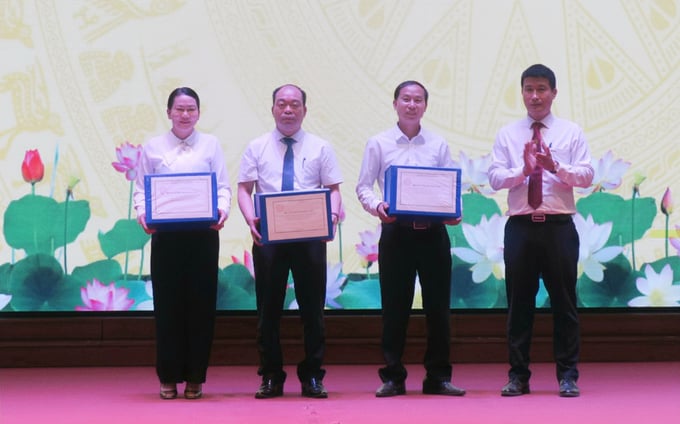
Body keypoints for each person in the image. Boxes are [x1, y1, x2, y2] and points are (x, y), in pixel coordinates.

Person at [488, 64, 594, 398]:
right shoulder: (508, 134)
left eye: (542, 89)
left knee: (564, 303)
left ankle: (567, 376)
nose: (535, 96)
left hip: (558, 228)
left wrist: (554, 168)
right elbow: (493, 178)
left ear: (554, 93)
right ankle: (518, 376)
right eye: (529, 89)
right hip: (520, 228)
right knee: (519, 305)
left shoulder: (571, 132)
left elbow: (588, 175)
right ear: (522, 93)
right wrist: (524, 170)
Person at [356, 80, 466, 397]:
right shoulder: (378, 143)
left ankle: (438, 377)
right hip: (396, 234)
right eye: (406, 99)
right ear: (395, 104)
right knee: (395, 308)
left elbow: (449, 187)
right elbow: (363, 186)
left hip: (433, 235)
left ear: (425, 106)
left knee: (438, 309)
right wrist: (377, 206)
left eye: (418, 100)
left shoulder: (438, 143)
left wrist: (455, 210)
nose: (412, 105)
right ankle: (393, 377)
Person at [236, 84, 343, 399]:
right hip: (269, 237)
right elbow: (244, 188)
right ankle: (271, 376)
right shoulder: (256, 147)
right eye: (281, 104)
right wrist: (249, 218)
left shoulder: (321, 147)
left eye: (294, 104)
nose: (288, 110)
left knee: (313, 309)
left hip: (310, 237)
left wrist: (332, 218)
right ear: (272, 109)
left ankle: (313, 376)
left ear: (304, 110)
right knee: (268, 310)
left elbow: (334, 189)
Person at [133, 87, 231, 400]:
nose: (185, 115)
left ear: (199, 113)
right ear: (169, 113)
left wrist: (222, 210)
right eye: (179, 109)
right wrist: (143, 214)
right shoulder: (153, 147)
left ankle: (195, 378)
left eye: (191, 109)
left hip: (203, 236)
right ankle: (168, 377)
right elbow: (140, 190)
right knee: (168, 307)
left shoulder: (211, 145)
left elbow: (224, 187)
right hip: (167, 239)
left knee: (200, 307)